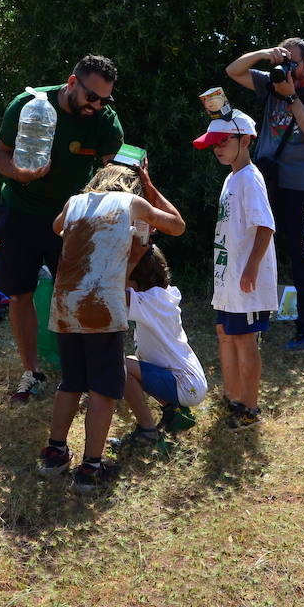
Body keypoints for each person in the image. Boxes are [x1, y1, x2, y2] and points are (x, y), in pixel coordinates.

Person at [37, 161, 184, 494]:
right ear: (130, 185)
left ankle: (54, 453)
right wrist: (149, 189)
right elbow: (177, 226)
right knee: (103, 388)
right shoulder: (132, 203)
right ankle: (91, 468)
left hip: (65, 305)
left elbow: (58, 227)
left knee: (71, 382)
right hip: (100, 308)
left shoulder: (75, 202)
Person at [0, 54, 124, 404]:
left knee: (75, 297)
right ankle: (31, 371)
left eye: (104, 100)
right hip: (20, 211)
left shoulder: (105, 122)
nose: (96, 105)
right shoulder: (29, 105)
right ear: (71, 83)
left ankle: (76, 377)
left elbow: (116, 175)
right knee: (20, 294)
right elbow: (0, 155)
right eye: (91, 96)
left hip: (71, 219)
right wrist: (18, 174)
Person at [226, 38, 304, 352]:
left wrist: (292, 99)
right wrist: (264, 54)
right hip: (266, 182)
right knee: (255, 249)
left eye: (294, 62)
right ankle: (253, 320)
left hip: (302, 187)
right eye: (284, 62)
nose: (288, 69)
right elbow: (233, 70)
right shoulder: (272, 82)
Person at [194, 109, 277, 428]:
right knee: (225, 333)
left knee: (245, 339)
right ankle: (232, 396)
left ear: (245, 140)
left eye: (223, 141)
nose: (217, 148)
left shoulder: (251, 179)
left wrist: (251, 270)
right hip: (228, 279)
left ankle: (249, 407)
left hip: (246, 281)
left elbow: (265, 226)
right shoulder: (232, 177)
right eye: (213, 143)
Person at [118, 245, 208, 447]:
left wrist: (128, 261)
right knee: (132, 362)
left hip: (184, 385)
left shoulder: (150, 300)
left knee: (117, 367)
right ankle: (174, 412)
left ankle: (147, 431)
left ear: (137, 278)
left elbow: (113, 292)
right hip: (188, 381)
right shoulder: (161, 295)